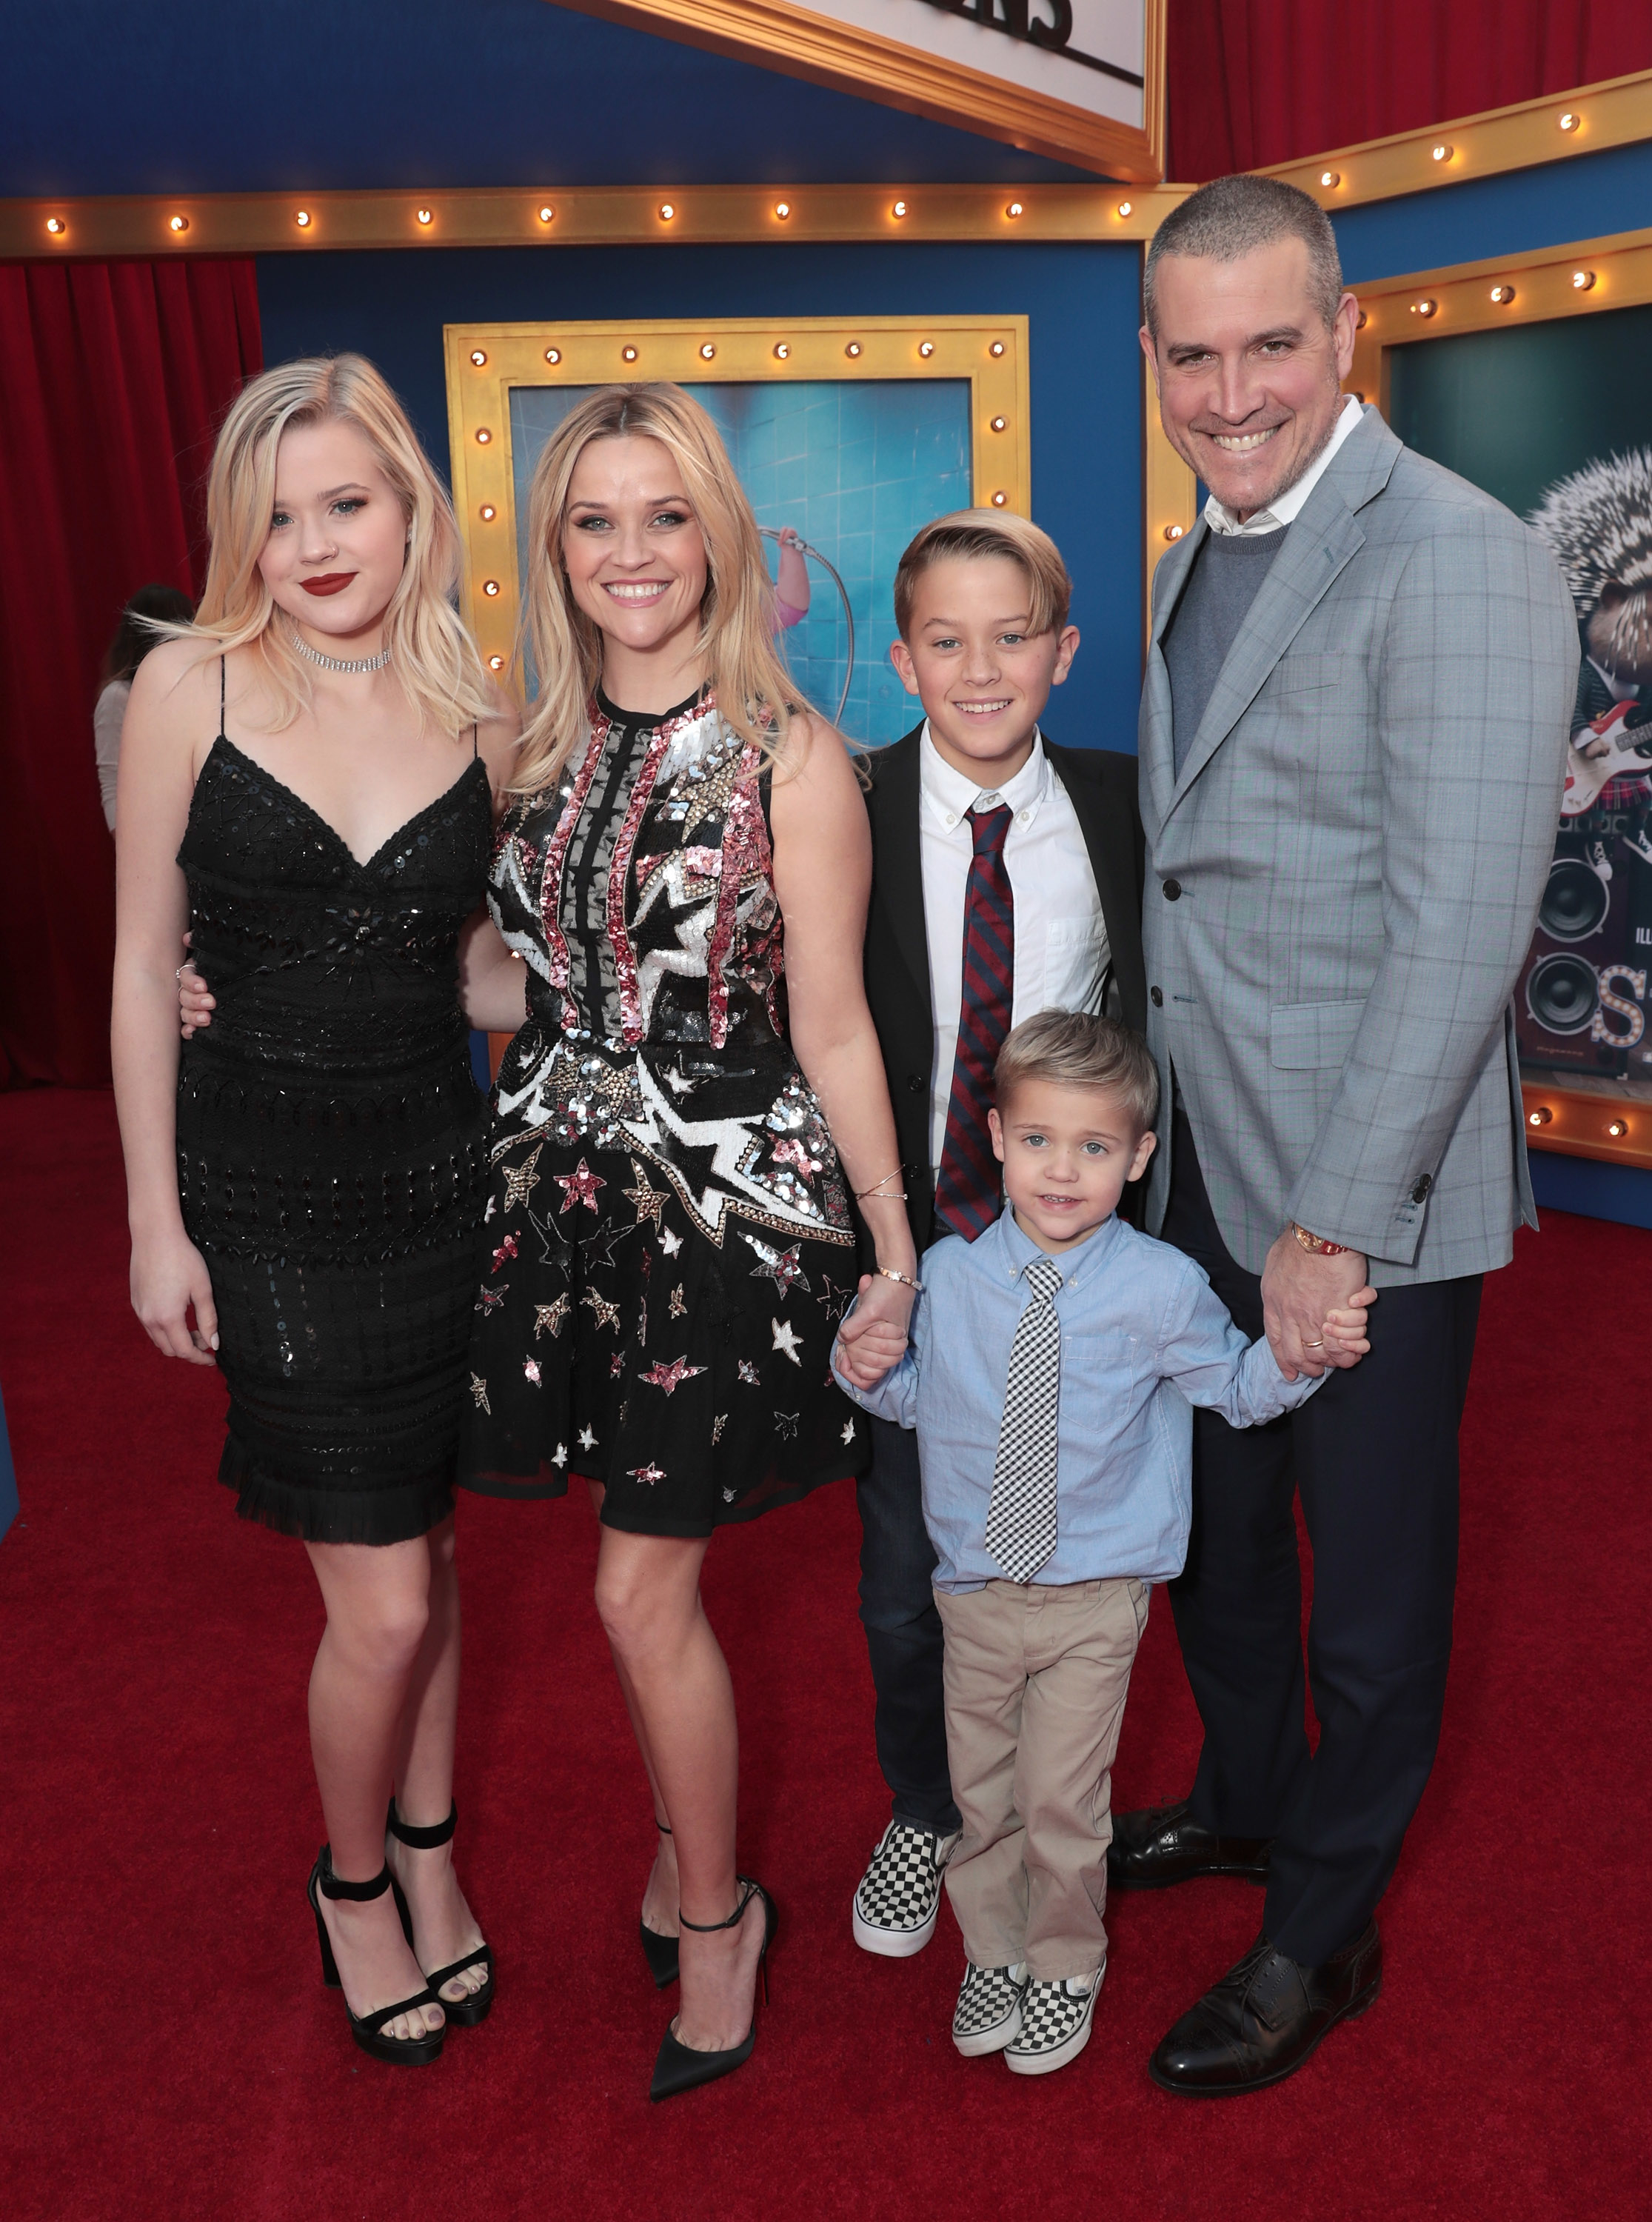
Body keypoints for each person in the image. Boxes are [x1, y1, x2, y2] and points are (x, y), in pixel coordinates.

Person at [1120, 173, 1577, 2094]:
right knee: (1215, 1549)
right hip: (1190, 1164)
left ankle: (1320, 1928)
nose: (1229, 394)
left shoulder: (1457, 557)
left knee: (1365, 1588)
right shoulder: (1190, 547)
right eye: (1190, 354)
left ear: (1341, 333)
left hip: (1354, 1194)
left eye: (1266, 348)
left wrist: (1328, 1225)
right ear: (1149, 356)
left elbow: (1455, 927)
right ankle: (1240, 1796)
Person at [447, 382, 920, 2100]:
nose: (630, 552)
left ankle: (717, 1917)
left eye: (664, 516)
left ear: (718, 536)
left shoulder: (795, 758)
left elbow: (836, 1025)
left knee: (634, 1584)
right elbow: (514, 979)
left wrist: (890, 1245)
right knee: (629, 1575)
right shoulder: (524, 745)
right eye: (594, 519)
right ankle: (678, 1853)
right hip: (550, 1205)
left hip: (723, 1213)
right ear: (555, 548)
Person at [113, 353, 517, 2067]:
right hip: (265, 1185)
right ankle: (351, 1876)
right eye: (274, 519)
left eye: (345, 501)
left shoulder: (478, 696)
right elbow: (142, 967)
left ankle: (427, 1853)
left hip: (441, 1167)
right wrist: (153, 1218)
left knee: (422, 1544)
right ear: (238, 540)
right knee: (389, 1602)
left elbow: (487, 971)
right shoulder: (189, 683)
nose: (313, 543)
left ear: (409, 504)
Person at [835, 1010, 1371, 2075]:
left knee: (1059, 1802)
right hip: (972, 1589)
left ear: (1137, 1156)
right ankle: (989, 1949)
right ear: (992, 1136)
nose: (1061, 1171)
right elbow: (912, 1401)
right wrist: (859, 1364)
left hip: (1093, 1595)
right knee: (979, 1796)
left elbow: (1230, 1388)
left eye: (1092, 1148)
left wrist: (1302, 1354)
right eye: (1037, 1140)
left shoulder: (1161, 1287)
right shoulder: (946, 1277)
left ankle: (1064, 1961)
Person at [840, 509, 1147, 1961]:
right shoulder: (836, 800)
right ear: (901, 658)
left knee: (1072, 1556)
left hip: (1077, 1257)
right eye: (945, 641)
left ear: (1061, 650)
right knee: (909, 1580)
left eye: (1010, 636)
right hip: (911, 1255)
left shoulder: (1119, 808)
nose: (979, 670)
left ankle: (1047, 1820)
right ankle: (927, 1808)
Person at [95, 583, 195, 830]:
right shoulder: (119, 696)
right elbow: (112, 776)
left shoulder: (198, 687)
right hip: (156, 830)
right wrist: (126, 838)